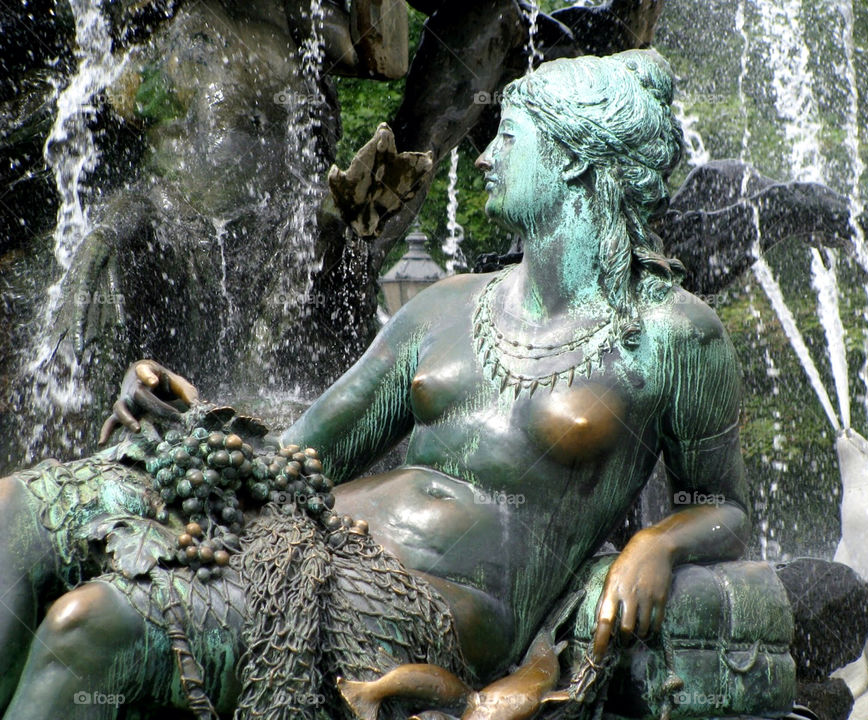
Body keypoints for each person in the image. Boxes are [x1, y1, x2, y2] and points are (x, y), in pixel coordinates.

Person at [0, 49, 751, 719]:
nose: (484, 158)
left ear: (575, 161)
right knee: (14, 509)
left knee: (89, 626)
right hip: (296, 531)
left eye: (511, 139)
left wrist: (660, 543)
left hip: (420, 602)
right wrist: (188, 422)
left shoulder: (673, 335)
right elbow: (305, 450)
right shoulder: (446, 304)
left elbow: (724, 507)